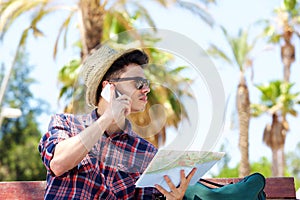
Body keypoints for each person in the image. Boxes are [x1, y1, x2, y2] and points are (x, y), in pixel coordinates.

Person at [38, 44, 196, 199]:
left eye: (146, 84)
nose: (146, 89)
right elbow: (58, 164)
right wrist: (107, 118)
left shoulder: (146, 152)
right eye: (138, 83)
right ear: (109, 87)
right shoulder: (66, 124)